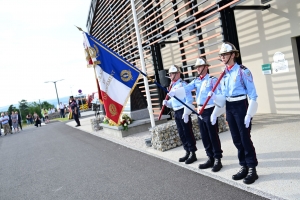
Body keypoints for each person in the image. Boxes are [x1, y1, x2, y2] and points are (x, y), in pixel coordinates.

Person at [209, 42, 259, 184]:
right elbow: (222, 96)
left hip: (241, 105)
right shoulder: (223, 74)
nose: (222, 57)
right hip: (229, 106)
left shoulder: (243, 71)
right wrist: (215, 109)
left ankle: (252, 169)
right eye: (221, 55)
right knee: (236, 139)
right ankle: (243, 166)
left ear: (232, 55)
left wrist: (249, 114)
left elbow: (253, 95)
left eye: (225, 54)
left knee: (245, 138)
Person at [169, 58, 223, 172]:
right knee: (204, 136)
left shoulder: (212, 80)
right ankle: (210, 157)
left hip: (209, 109)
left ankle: (218, 158)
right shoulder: (196, 80)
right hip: (200, 111)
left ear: (206, 67)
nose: (197, 69)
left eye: (199, 67)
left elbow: (220, 95)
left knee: (213, 135)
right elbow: (186, 88)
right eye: (196, 67)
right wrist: (175, 92)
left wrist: (215, 104)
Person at [162, 65, 197, 164]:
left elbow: (189, 99)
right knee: (181, 133)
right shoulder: (172, 86)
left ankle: (193, 153)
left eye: (172, 73)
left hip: (183, 110)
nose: (171, 75)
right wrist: (167, 103)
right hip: (176, 111)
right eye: (170, 74)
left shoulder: (183, 84)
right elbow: (173, 102)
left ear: (178, 74)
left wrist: (186, 113)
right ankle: (187, 151)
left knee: (187, 132)